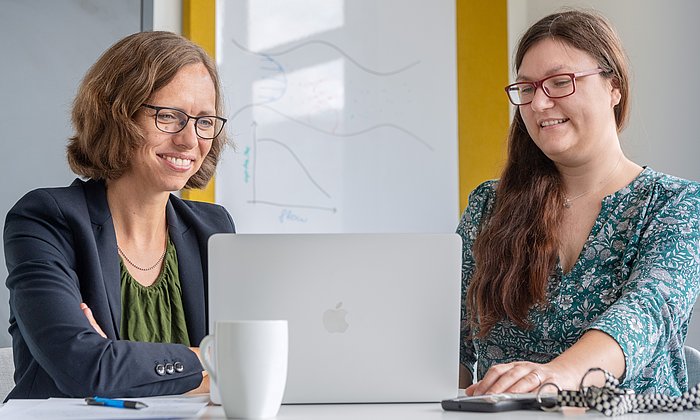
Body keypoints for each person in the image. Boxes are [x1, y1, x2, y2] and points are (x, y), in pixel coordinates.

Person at [457, 10, 700, 397]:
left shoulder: (678, 204)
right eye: (527, 89)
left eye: (559, 82)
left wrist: (554, 377)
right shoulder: (489, 206)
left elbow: (647, 313)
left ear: (613, 87)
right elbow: (447, 343)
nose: (538, 104)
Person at [4, 31, 235, 399]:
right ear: (117, 115)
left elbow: (251, 367)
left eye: (204, 121)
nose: (190, 140)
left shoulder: (213, 228)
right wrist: (212, 361)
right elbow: (85, 368)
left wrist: (121, 362)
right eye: (169, 116)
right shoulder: (46, 219)